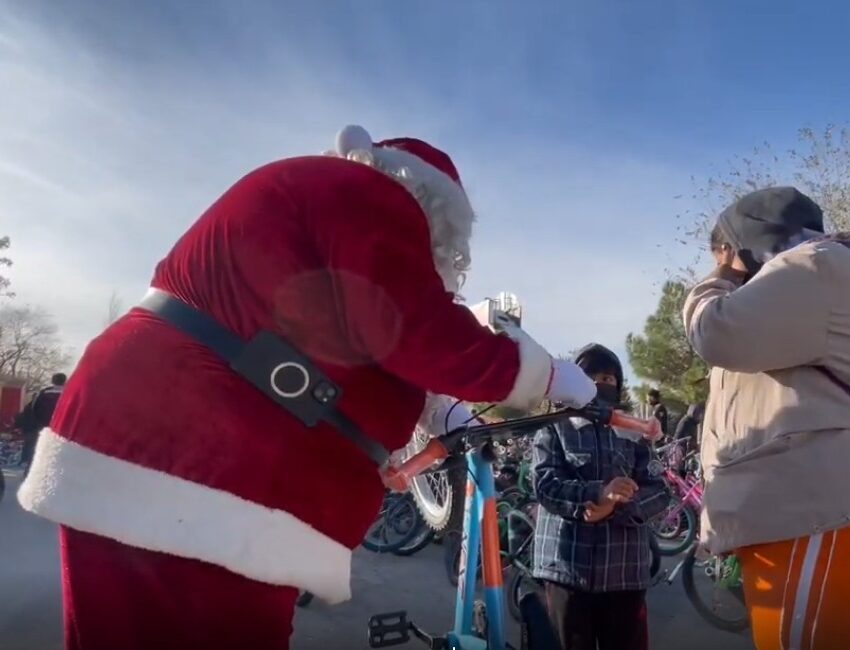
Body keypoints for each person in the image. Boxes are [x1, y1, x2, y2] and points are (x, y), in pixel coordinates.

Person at [17, 125, 597, 650]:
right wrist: (547, 375)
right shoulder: (372, 196)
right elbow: (419, 330)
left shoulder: (318, 204)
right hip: (199, 466)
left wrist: (431, 408)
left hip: (148, 441)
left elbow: (352, 334)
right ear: (435, 210)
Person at [683, 186, 850, 650]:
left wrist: (719, 276)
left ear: (740, 243)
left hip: (827, 515)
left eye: (721, 250)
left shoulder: (816, 263)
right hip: (823, 517)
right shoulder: (805, 285)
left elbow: (714, 332)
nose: (719, 263)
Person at [532, 344, 669, 650]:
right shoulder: (554, 428)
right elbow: (545, 484)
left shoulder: (634, 432)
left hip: (624, 575)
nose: (599, 383)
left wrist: (617, 507)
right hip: (565, 571)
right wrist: (597, 494)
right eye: (589, 377)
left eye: (608, 378)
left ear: (618, 385)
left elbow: (660, 489)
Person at [14, 373, 66, 475]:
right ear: (64, 381)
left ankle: (31, 474)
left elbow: (29, 412)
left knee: (35, 453)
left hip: (40, 429)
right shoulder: (69, 395)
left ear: (52, 381)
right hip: (61, 431)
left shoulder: (41, 395)